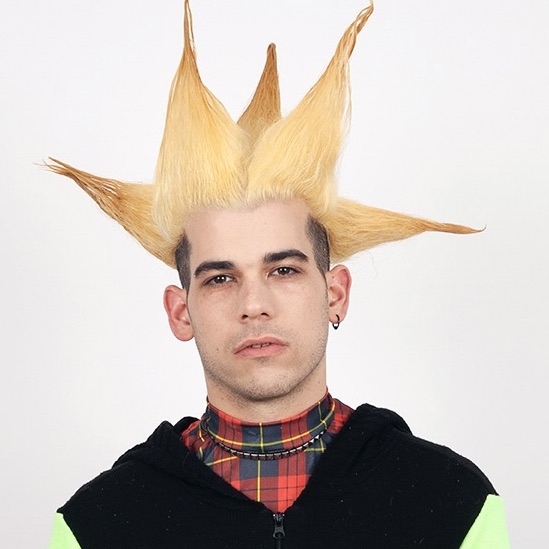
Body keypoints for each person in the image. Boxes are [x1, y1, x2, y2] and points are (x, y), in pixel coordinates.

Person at [48, 1, 509, 547]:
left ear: (335, 294)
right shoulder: (97, 525)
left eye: (284, 269)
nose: (254, 304)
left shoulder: (453, 504)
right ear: (180, 311)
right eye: (220, 278)